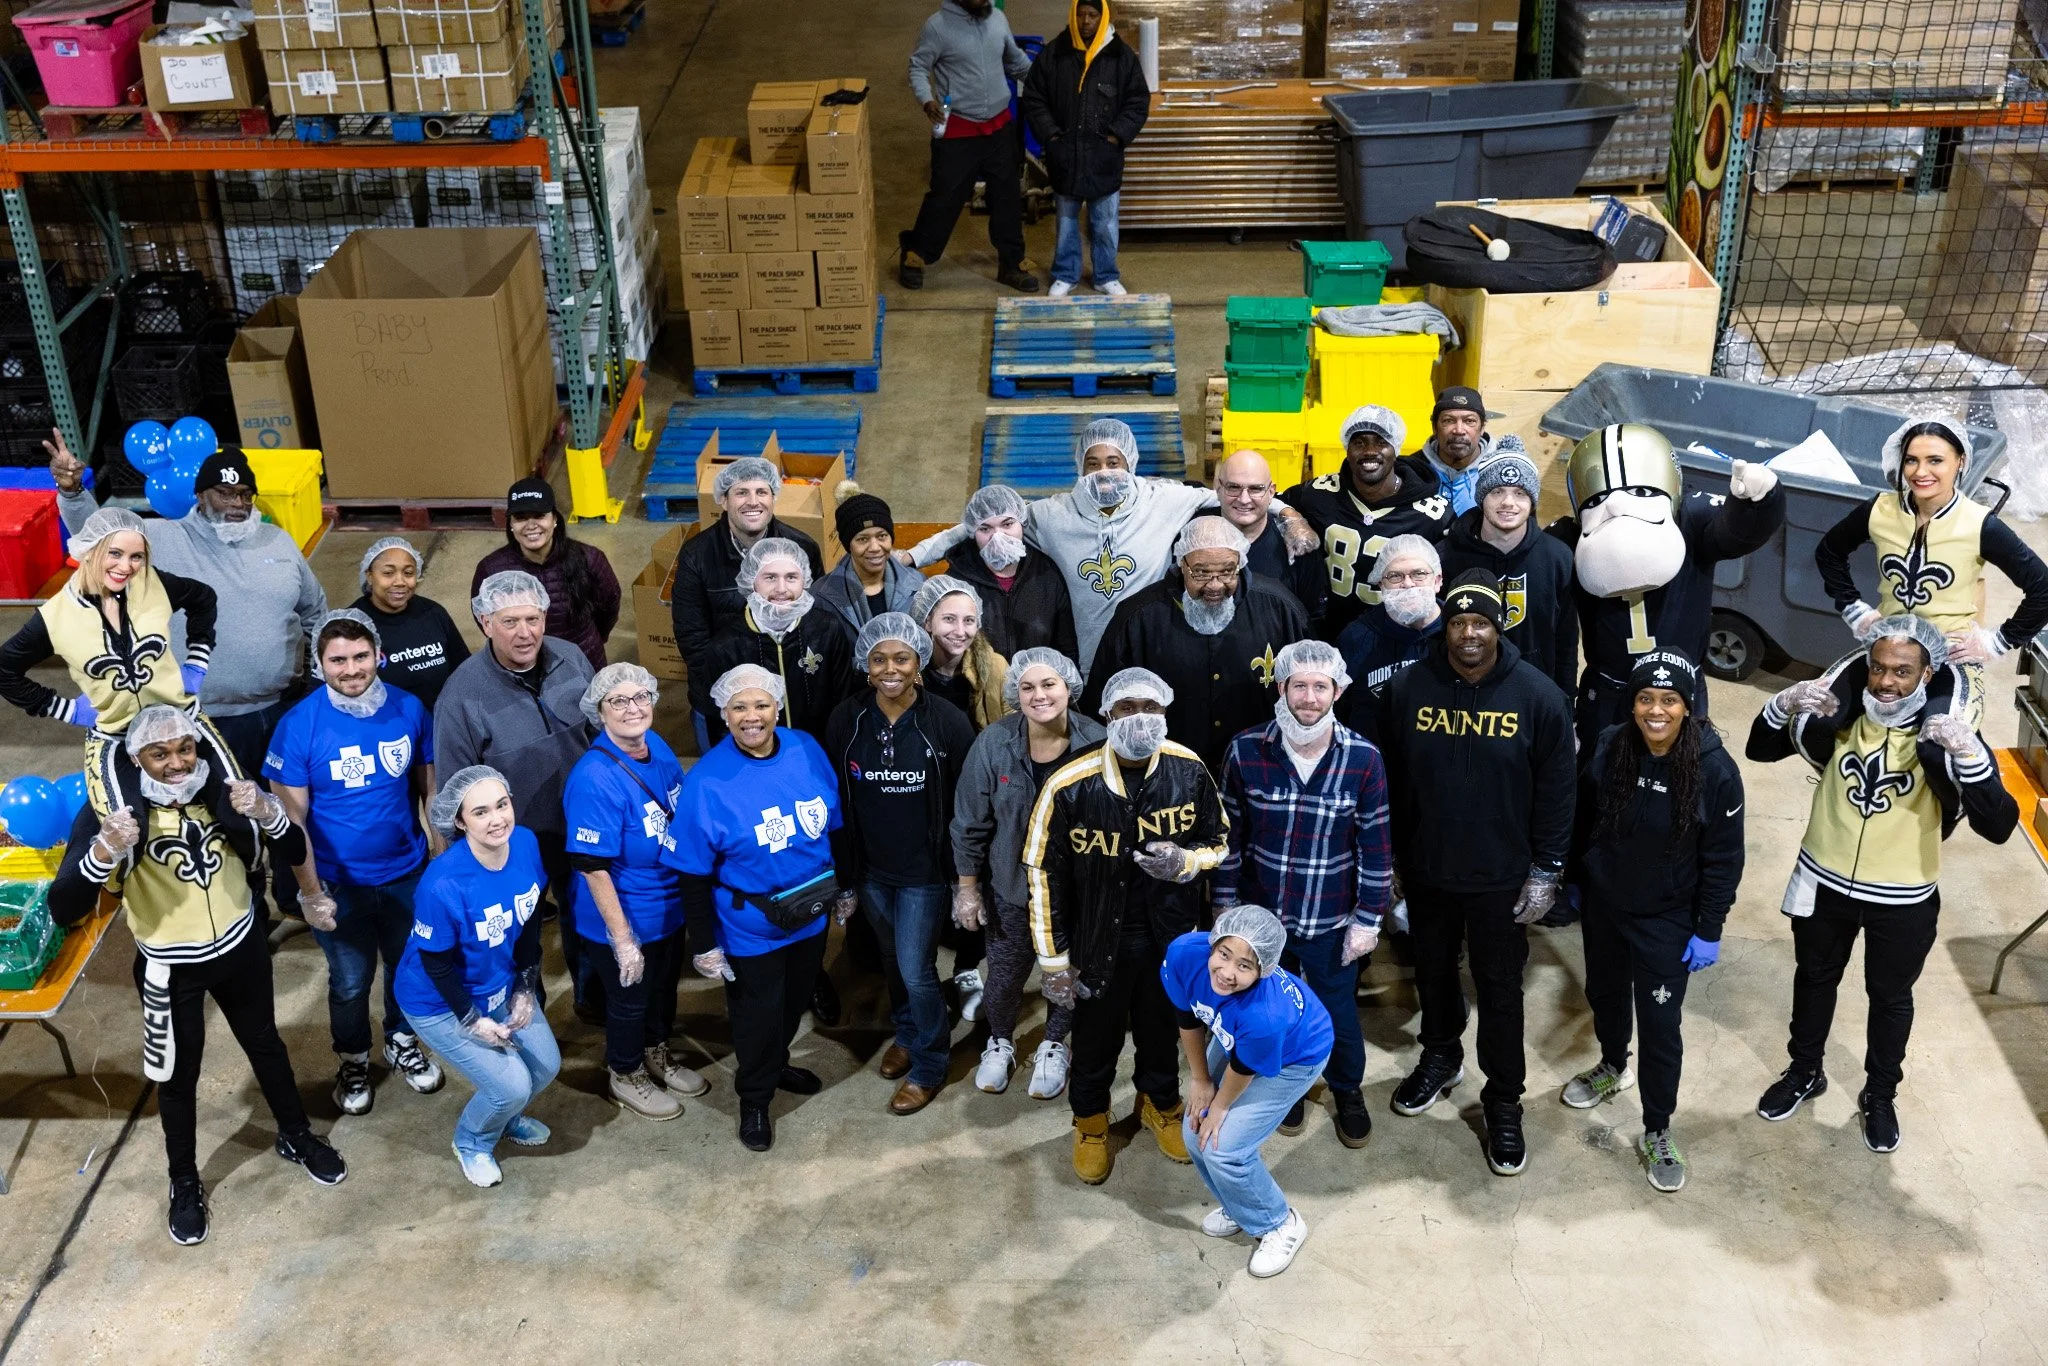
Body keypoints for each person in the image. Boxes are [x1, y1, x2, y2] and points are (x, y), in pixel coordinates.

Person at [49, 705, 346, 1245]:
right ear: (135, 758)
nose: (176, 762)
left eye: (185, 748)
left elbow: (293, 848)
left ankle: (297, 1135)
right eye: (158, 754)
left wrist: (267, 811)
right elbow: (64, 906)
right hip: (169, 971)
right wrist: (103, 849)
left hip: (242, 949)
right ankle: (184, 1182)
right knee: (177, 1078)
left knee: (267, 1046)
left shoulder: (225, 793)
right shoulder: (109, 813)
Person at [1746, 617, 2016, 1153]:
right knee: (1814, 978)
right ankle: (1805, 1071)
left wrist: (1971, 756)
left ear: (1928, 672)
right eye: (1878, 667)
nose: (1886, 682)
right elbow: (1758, 749)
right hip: (1824, 881)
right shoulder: (1837, 717)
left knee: (1890, 998)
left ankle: (1879, 1094)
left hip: (1904, 897)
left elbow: (2001, 824)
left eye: (1902, 671)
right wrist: (1783, 706)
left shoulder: (1946, 732)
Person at [1377, 571, 1573, 1177]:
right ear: (1446, 625)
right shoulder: (1410, 687)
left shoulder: (1537, 696)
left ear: (1498, 626)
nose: (1468, 634)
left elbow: (1558, 791)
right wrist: (1391, 860)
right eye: (1458, 622)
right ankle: (1439, 1059)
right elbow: (1389, 778)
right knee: (1433, 974)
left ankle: (1504, 1100)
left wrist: (1546, 869)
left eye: (1480, 623)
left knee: (1498, 989)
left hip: (1501, 878)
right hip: (1429, 870)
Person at [1025, 666, 1227, 1184]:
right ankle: (1091, 1122)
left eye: (1151, 708)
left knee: (1165, 1035)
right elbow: (1043, 874)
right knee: (1094, 1044)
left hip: (1170, 942)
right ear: (1105, 713)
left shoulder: (1189, 770)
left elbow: (1218, 841)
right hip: (1097, 945)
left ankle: (1160, 1104)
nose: (1140, 719)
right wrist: (1053, 962)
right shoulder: (1069, 783)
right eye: (1127, 708)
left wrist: (1185, 861)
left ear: (1166, 712)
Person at [1564, 649, 1742, 1193]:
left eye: (1669, 700)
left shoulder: (1715, 770)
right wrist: (1576, 876)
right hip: (1606, 905)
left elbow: (1724, 859)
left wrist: (1709, 927)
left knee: (1662, 1030)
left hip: (1667, 919)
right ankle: (1612, 1064)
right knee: (1606, 995)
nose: (1656, 711)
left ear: (1688, 707)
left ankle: (1657, 1128)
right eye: (1646, 699)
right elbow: (1584, 815)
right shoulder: (1611, 745)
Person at [52, 441, 327, 776]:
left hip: (281, 710)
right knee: (222, 815)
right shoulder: (162, 539)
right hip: (198, 719)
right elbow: (98, 536)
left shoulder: (278, 541)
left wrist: (315, 685)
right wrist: (72, 490)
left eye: (244, 494)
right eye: (225, 493)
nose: (237, 504)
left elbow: (316, 614)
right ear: (200, 495)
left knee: (283, 810)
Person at [664, 664, 852, 1153]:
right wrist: (703, 944)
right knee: (756, 1017)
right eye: (740, 707)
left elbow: (834, 829)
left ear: (777, 707)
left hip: (808, 917)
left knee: (791, 1005)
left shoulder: (805, 750)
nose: (753, 717)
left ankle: (777, 1061)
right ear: (723, 714)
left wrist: (845, 888)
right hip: (751, 929)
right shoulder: (707, 783)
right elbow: (691, 872)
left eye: (762, 705)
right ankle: (754, 1098)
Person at [264, 609, 443, 1116]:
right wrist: (311, 892)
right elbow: (289, 821)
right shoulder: (297, 727)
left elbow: (428, 786)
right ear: (319, 665)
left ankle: (401, 1041)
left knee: (407, 967)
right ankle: (354, 1057)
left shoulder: (410, 709)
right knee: (349, 980)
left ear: (378, 654)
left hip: (407, 872)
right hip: (338, 885)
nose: (351, 668)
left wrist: (441, 858)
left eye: (360, 656)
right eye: (337, 659)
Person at [1215, 640, 1390, 1149]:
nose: (1309, 698)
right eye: (1299, 686)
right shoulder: (1247, 749)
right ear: (1281, 688)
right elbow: (1229, 838)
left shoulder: (1362, 758)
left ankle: (1347, 1090)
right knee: (1271, 1012)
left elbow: (1376, 845)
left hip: (1330, 919)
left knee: (1337, 1011)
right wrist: (1225, 908)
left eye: (1320, 686)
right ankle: (1285, 1091)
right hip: (1262, 922)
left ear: (1337, 690)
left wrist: (1369, 919)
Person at [1816, 413, 2048, 781]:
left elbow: (2043, 587)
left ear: (1961, 463)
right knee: (1814, 723)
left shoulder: (1980, 524)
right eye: (1912, 459)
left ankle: (1938, 819)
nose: (1920, 472)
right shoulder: (1879, 510)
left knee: (1938, 750)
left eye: (1935, 460)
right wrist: (1854, 609)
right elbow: (1828, 552)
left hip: (1949, 660)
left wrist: (1997, 642)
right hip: (1886, 650)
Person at [905, 419, 1235, 675]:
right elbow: (981, 522)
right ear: (1080, 467)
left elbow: (1239, 497)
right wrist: (914, 555)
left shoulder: (1164, 500)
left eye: (1113, 462)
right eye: (1093, 464)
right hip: (1087, 660)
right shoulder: (1052, 515)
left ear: (1131, 463)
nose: (1104, 473)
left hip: (1150, 654)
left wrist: (1288, 515)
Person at [826, 612, 977, 1115]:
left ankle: (931, 1064)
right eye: (879, 659)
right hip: (872, 871)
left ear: (919, 663)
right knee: (892, 961)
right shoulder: (847, 719)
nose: (890, 668)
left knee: (916, 968)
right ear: (865, 666)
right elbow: (838, 802)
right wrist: (845, 876)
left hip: (924, 874)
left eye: (902, 658)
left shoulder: (947, 723)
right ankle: (910, 1033)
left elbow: (968, 804)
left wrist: (964, 879)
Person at [1556, 423, 1784, 750]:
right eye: (1602, 499)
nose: (1619, 505)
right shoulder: (1570, 537)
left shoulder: (1693, 518)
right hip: (1608, 687)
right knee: (1598, 771)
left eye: (1643, 493)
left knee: (1681, 772)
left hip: (1679, 686)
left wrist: (1762, 502)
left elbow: (1735, 534)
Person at [0, 508, 237, 821]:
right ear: (89, 550)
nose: (126, 567)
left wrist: (197, 662)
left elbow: (203, 598)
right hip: (116, 736)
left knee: (240, 818)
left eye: (136, 557)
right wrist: (65, 710)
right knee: (126, 834)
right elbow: (5, 670)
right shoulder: (53, 618)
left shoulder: (154, 584)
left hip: (181, 721)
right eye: (115, 553)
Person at [434, 571, 596, 1016]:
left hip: (581, 825)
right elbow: (454, 788)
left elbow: (602, 732)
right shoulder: (462, 697)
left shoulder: (571, 658)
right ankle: (530, 1011)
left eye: (532, 618)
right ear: (485, 622)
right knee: (517, 933)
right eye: (509, 622)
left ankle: (591, 997)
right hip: (513, 841)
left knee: (585, 915)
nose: (525, 633)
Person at [392, 766, 559, 1189]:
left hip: (499, 981)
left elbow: (530, 916)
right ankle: (472, 1142)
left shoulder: (524, 843)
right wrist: (472, 1018)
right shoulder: (443, 883)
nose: (497, 819)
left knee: (545, 1068)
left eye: (502, 805)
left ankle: (506, 1119)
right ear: (460, 821)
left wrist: (524, 985)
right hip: (439, 1002)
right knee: (511, 1087)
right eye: (480, 812)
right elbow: (437, 964)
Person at [951, 647, 1104, 1097]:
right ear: (1015, 692)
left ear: (1069, 687)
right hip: (1012, 891)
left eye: (1049, 684)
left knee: (1064, 976)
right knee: (1003, 977)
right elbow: (969, 821)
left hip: (1075, 894)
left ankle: (1055, 1044)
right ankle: (1000, 1041)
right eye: (1027, 686)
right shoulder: (994, 743)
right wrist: (968, 889)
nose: (1039, 695)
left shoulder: (1096, 742)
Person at [563, 663, 707, 1121]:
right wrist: (623, 939)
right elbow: (592, 866)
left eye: (640, 697)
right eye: (618, 701)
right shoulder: (594, 777)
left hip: (666, 905)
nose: (632, 708)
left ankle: (655, 1051)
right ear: (599, 712)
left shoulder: (658, 747)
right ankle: (624, 1072)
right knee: (629, 1001)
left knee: (662, 990)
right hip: (622, 915)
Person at [1167, 907, 1332, 1278]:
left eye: (1245, 966)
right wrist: (1200, 1080)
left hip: (1296, 1054)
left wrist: (1221, 1105)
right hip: (1236, 1038)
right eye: (1224, 955)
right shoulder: (1183, 954)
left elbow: (1246, 1065)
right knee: (1194, 1134)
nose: (1226, 972)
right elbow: (1188, 1016)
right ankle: (1242, 1207)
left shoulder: (1265, 1014)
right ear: (1213, 942)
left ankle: (1280, 1223)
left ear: (1263, 970)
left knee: (1224, 1148)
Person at [1083, 516, 1310, 772]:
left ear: (1241, 563)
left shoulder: (1280, 608)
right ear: (1182, 564)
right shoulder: (1138, 618)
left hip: (1260, 768)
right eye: (1201, 572)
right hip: (1166, 772)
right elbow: (1102, 707)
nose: (1215, 585)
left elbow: (1312, 689)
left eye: (1227, 571)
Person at [671, 455, 828, 733]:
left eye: (761, 492)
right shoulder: (697, 556)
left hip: (791, 696)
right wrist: (735, 698)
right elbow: (692, 638)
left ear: (773, 497)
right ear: (723, 499)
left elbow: (816, 622)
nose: (753, 501)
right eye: (741, 492)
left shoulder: (803, 548)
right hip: (725, 698)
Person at [1281, 404, 1455, 640]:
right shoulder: (1318, 494)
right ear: (1346, 448)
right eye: (1359, 442)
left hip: (1396, 636)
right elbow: (1268, 501)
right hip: (1326, 630)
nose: (1370, 451)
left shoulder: (1432, 513)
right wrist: (1290, 515)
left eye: (1381, 442)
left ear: (1395, 449)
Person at [900, 0, 1039, 293]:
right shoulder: (937, 27)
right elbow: (918, 67)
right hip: (959, 130)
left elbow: (1016, 63)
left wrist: (1048, 80)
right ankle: (916, 254)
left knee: (1008, 199)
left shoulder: (997, 19)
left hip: (1000, 128)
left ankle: (1011, 265)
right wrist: (927, 100)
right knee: (946, 197)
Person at [1020, 0, 1150, 297]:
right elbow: (1034, 97)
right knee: (1066, 222)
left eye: (1092, 15)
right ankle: (1066, 274)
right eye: (1081, 15)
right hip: (1066, 155)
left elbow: (1137, 101)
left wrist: (1117, 136)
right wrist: (1051, 136)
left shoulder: (1121, 56)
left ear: (1102, 16)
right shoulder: (1055, 53)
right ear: (1073, 16)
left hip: (1104, 157)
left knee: (1104, 222)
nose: (1086, 21)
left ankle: (1105, 275)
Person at [695, 536, 856, 748]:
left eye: (791, 577)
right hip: (756, 759)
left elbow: (842, 703)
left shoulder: (827, 630)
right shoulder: (727, 646)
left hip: (817, 754)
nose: (781, 589)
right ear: (752, 581)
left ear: (805, 581)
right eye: (770, 577)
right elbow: (719, 720)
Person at [1440, 451, 1577, 696]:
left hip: (1535, 695)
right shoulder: (1446, 556)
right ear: (1481, 497)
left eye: (1520, 493)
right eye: (1497, 491)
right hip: (1462, 693)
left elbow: (1565, 642)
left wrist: (1565, 701)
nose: (1508, 503)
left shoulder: (1557, 557)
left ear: (1532, 501)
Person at [469, 477, 621, 672]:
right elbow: (484, 619)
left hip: (584, 661)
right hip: (526, 667)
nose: (531, 525)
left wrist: (591, 639)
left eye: (539, 516)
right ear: (511, 524)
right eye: (521, 518)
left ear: (555, 519)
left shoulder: (589, 559)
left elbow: (609, 605)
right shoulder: (491, 570)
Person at [939, 484, 1079, 661]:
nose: (998, 536)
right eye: (985, 528)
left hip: (1034, 685)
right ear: (972, 532)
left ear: (1022, 524)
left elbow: (1066, 648)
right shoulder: (956, 581)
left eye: (1007, 524)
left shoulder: (1046, 574)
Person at [1333, 533, 1444, 740]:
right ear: (1381, 585)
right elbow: (1338, 713)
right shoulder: (1356, 639)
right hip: (1377, 765)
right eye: (1395, 576)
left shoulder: (1461, 634)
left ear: (1437, 581)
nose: (1408, 584)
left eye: (1419, 574)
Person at [351, 537, 470, 713]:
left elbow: (464, 671)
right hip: (385, 729)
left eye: (408, 573)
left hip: (441, 723)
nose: (400, 582)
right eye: (388, 573)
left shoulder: (433, 613)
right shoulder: (352, 625)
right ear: (369, 575)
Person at [1214, 449, 1325, 621]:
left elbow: (1312, 621)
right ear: (1219, 487)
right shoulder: (1193, 537)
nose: (1244, 499)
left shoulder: (1298, 547)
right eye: (1234, 487)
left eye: (1255, 489)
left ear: (1271, 492)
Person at [813, 486, 923, 634]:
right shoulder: (822, 598)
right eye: (862, 539)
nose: (875, 547)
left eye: (881, 536)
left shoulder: (917, 586)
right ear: (848, 545)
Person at [913, 575, 1009, 731]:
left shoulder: (995, 667)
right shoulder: (909, 669)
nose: (960, 631)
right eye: (949, 619)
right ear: (928, 622)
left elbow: (1014, 728)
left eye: (969, 620)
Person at [1418, 387, 1520, 517]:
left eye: (1469, 421)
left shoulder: (1506, 471)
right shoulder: (1413, 470)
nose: (1459, 430)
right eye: (1448, 420)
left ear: (1482, 428)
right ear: (1434, 428)